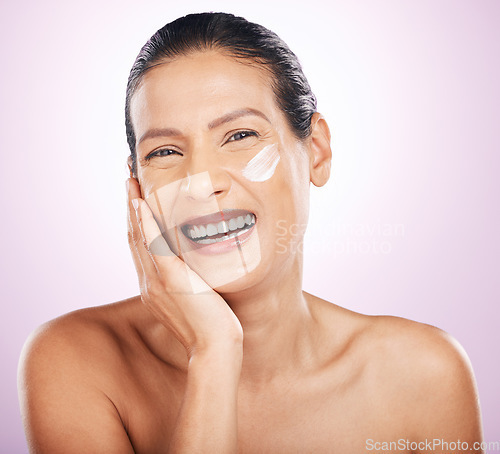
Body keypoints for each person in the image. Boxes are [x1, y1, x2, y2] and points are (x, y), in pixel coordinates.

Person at [18, 12, 484, 453]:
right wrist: (214, 353)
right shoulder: (74, 360)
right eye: (164, 151)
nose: (201, 183)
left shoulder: (424, 375)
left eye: (240, 136)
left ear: (316, 152)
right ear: (136, 184)